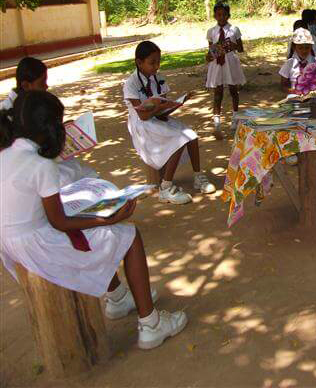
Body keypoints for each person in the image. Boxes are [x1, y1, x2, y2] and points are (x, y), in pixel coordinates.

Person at [0, 91, 187, 349]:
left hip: (11, 245)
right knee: (129, 235)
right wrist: (107, 220)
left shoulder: (6, 154)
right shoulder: (40, 165)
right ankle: (151, 324)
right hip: (38, 245)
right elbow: (60, 223)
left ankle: (118, 296)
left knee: (88, 215)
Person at [124, 41, 214, 205]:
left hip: (158, 118)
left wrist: (176, 104)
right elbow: (142, 117)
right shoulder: (131, 83)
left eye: (158, 62)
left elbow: (164, 110)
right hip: (142, 125)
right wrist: (157, 107)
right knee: (179, 140)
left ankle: (197, 176)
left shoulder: (158, 78)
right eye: (152, 63)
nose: (156, 66)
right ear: (139, 62)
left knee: (191, 135)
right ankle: (165, 188)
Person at [0, 57, 98, 185]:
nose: (46, 86)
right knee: (74, 178)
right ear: (25, 85)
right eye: (42, 82)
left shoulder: (38, 103)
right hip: (30, 167)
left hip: (47, 159)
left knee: (87, 175)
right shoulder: (7, 111)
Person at [204, 2, 245, 132]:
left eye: (224, 14)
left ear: (228, 15)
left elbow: (241, 48)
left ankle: (235, 117)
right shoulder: (211, 32)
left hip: (230, 63)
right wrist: (209, 55)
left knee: (233, 90)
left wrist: (234, 46)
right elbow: (211, 50)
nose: (221, 17)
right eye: (218, 14)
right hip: (217, 64)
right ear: (215, 16)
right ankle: (217, 122)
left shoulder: (234, 30)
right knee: (218, 92)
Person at [280, 28, 316, 94]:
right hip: (295, 97)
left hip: (313, 97)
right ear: (294, 47)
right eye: (300, 48)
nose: (304, 51)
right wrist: (292, 91)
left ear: (311, 47)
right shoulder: (289, 63)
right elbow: (283, 85)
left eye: (307, 47)